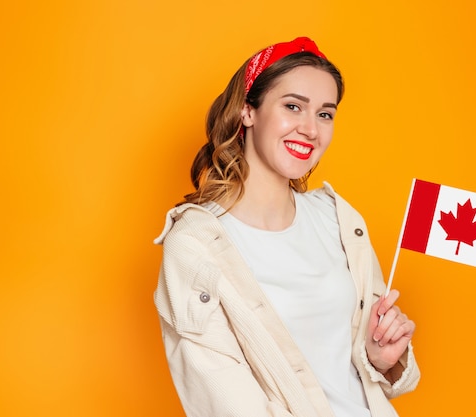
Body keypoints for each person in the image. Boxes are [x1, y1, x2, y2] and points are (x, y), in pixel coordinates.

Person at [154, 36, 420, 417]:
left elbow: (355, 373)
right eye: (293, 106)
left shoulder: (338, 218)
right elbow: (224, 402)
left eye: (325, 114)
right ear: (248, 111)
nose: (311, 129)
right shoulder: (195, 245)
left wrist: (380, 359)